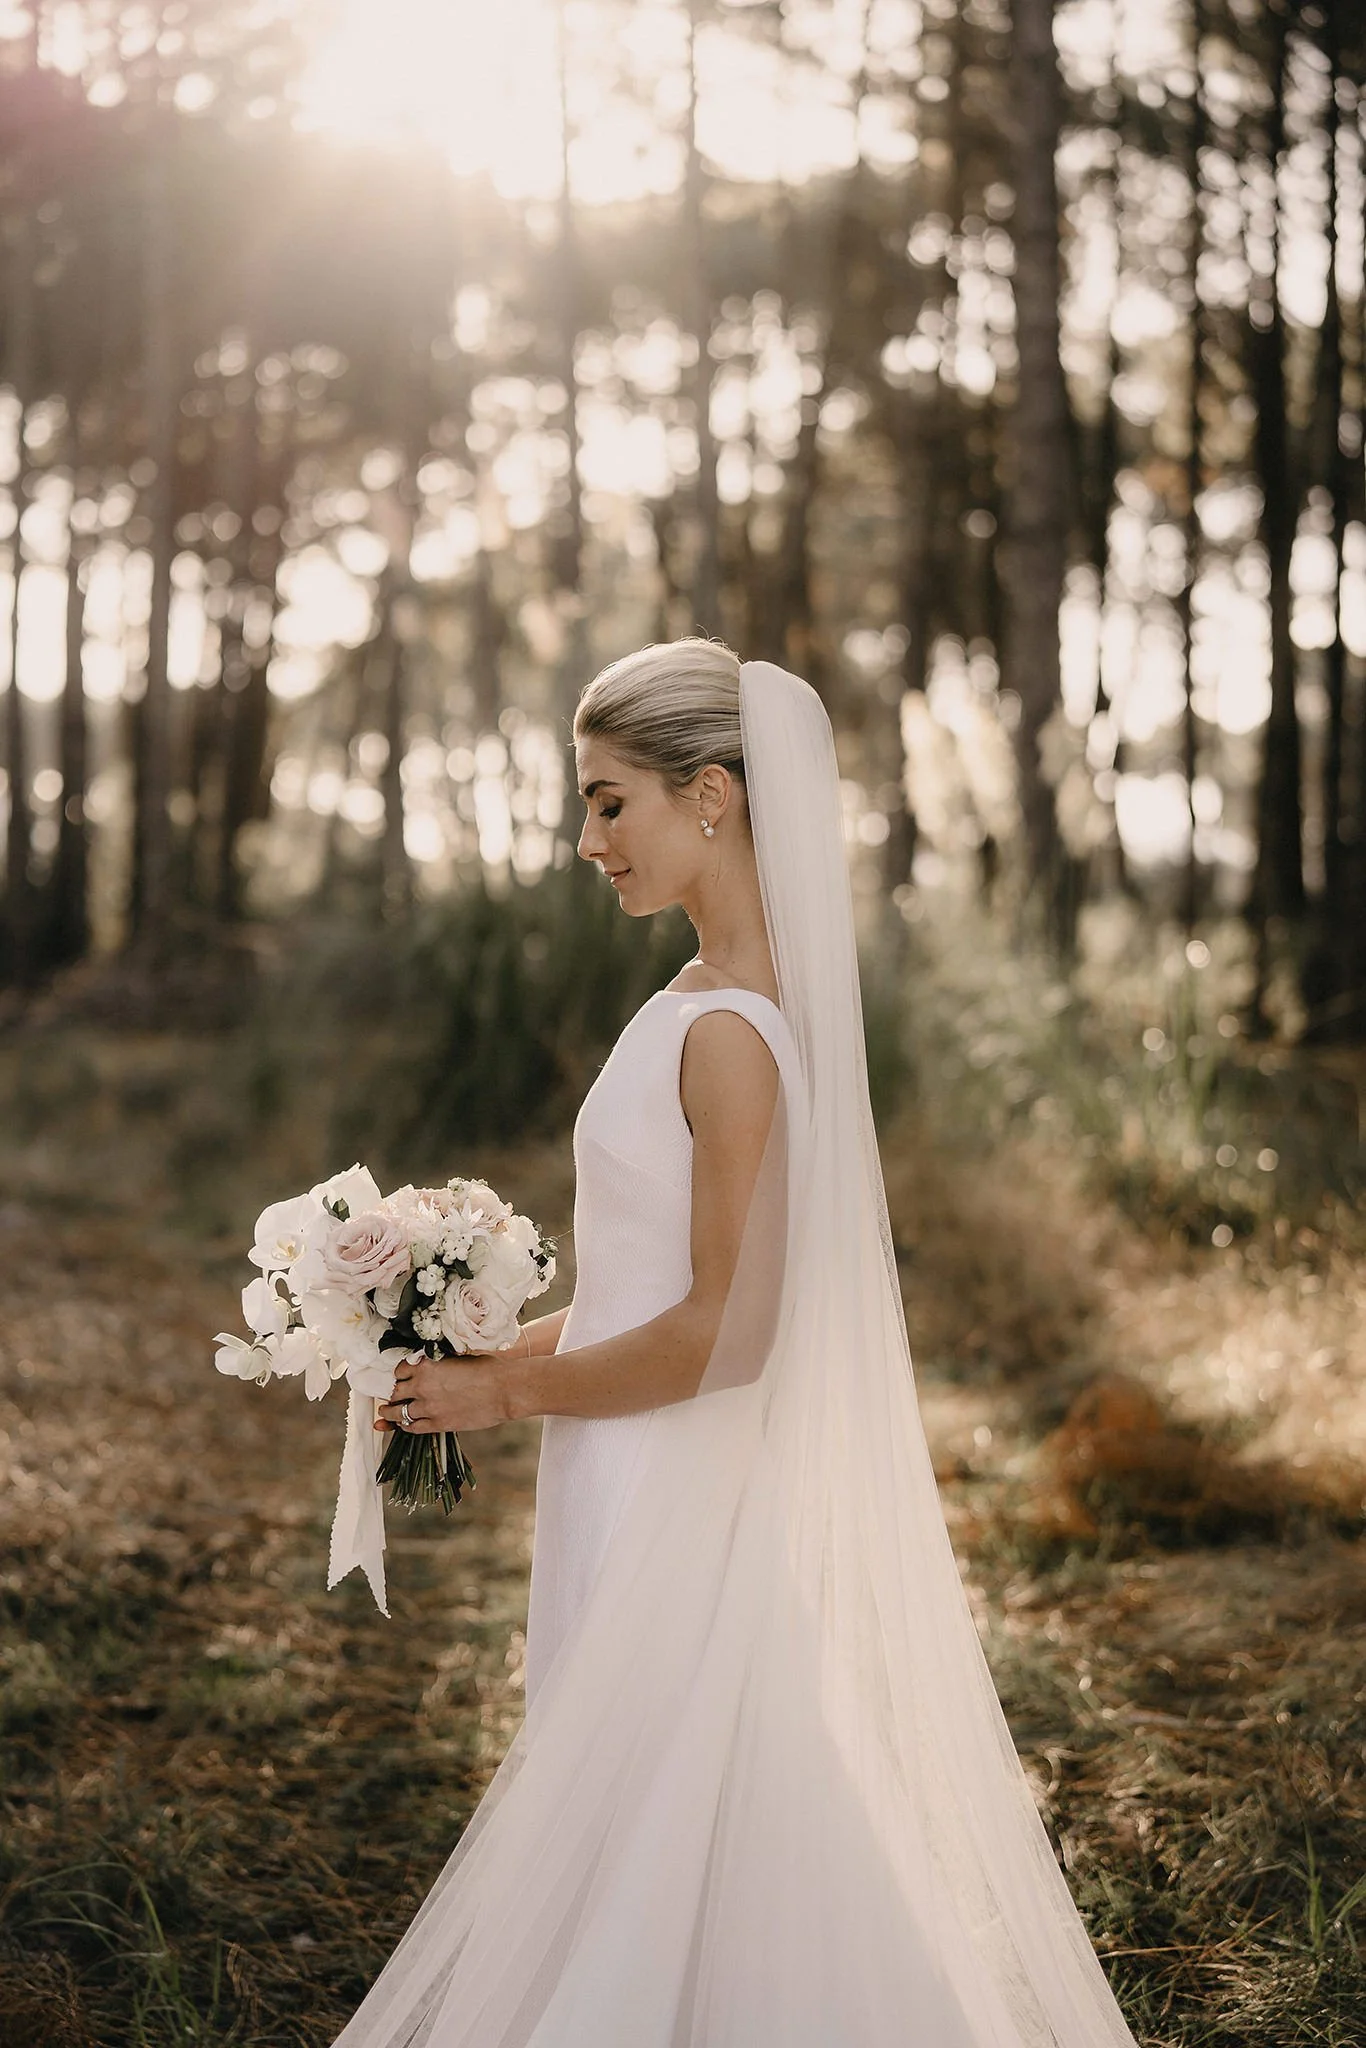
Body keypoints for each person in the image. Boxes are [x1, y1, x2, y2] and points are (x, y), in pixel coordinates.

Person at [334, 640, 1142, 2047]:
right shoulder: (695, 1003)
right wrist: (466, 1354)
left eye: (608, 802)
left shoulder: (731, 1039)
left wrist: (509, 1397)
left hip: (672, 1491)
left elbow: (725, 1337)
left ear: (709, 795)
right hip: (621, 1473)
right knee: (673, 1814)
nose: (587, 840)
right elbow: (643, 1292)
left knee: (676, 1817)